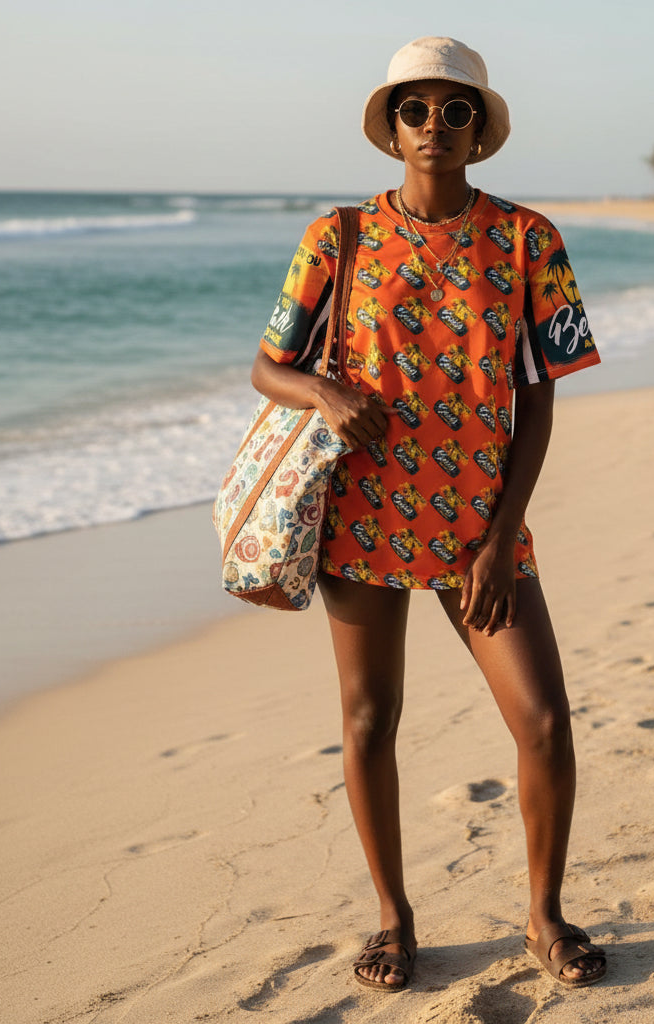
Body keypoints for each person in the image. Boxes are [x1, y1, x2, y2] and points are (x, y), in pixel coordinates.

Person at [251, 36, 606, 993]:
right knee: (370, 718)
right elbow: (266, 367)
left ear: (480, 131)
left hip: (478, 533)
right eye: (418, 109)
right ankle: (394, 920)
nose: (435, 127)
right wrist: (322, 396)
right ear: (392, 125)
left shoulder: (530, 241)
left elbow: (538, 396)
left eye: (457, 111)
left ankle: (544, 915)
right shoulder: (338, 237)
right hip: (360, 523)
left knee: (543, 722)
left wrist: (498, 536)